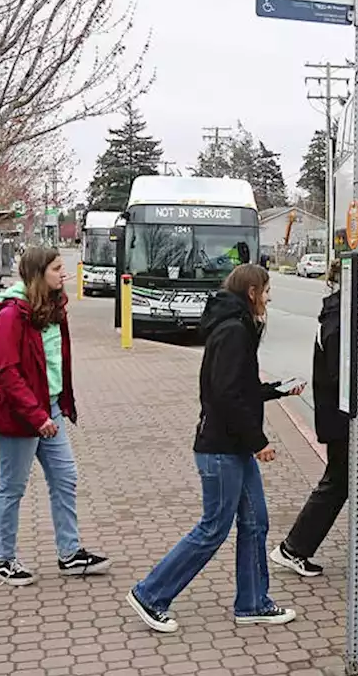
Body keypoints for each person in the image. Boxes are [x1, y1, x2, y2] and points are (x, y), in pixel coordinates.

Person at [126, 263, 303, 633]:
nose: (270, 299)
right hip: (223, 449)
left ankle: (253, 603)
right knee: (212, 529)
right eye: (267, 291)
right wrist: (259, 442)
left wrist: (278, 390)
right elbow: (226, 395)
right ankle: (150, 593)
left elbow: (238, 388)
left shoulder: (235, 327)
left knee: (256, 522)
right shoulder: (235, 331)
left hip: (232, 447)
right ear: (252, 292)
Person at [271, 255, 358, 587]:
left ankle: (294, 549)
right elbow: (347, 375)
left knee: (337, 485)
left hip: (345, 419)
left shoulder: (353, 314)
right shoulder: (342, 321)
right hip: (347, 421)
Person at [0, 247, 110, 587]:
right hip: (21, 415)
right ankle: (5, 559)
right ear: (39, 273)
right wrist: (36, 415)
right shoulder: (11, 314)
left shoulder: (53, 309)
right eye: (56, 269)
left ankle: (69, 553)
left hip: (49, 409)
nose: (63, 274)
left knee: (65, 476)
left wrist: (58, 405)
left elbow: (55, 361)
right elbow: (6, 371)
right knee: (12, 487)